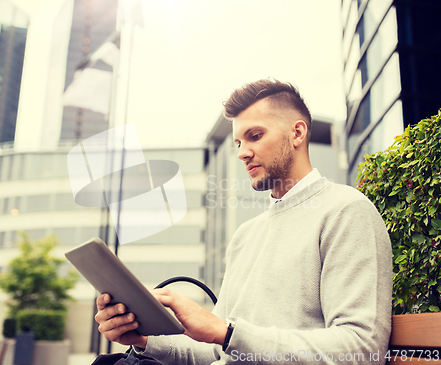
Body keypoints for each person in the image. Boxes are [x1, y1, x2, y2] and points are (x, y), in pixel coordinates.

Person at [95, 79, 392, 364]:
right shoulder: (245, 236)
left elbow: (362, 350)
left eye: (255, 135)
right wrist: (143, 339)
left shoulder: (346, 211)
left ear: (297, 133)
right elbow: (218, 351)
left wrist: (225, 332)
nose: (242, 153)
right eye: (238, 142)